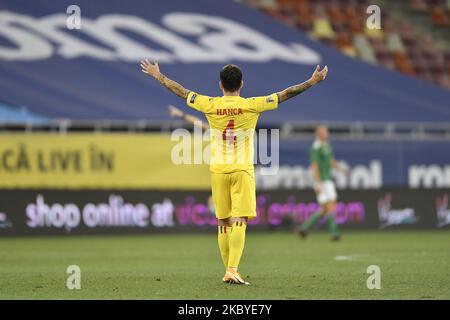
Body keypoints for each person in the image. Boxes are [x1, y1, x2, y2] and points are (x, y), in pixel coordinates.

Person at [141, 59, 328, 284]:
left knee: (223, 221)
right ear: (242, 83)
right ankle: (232, 269)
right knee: (240, 219)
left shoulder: (209, 104)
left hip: (218, 170)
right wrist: (312, 81)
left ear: (220, 85)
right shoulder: (252, 104)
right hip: (242, 169)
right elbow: (286, 94)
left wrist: (158, 76)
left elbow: (182, 92)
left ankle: (228, 270)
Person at [298, 125, 348, 241]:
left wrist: (341, 169)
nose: (327, 134)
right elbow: (314, 166)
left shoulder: (327, 146)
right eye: (325, 132)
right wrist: (318, 183)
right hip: (322, 181)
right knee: (331, 206)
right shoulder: (316, 147)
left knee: (324, 209)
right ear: (319, 134)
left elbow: (331, 161)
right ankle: (334, 233)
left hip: (327, 180)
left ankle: (304, 228)